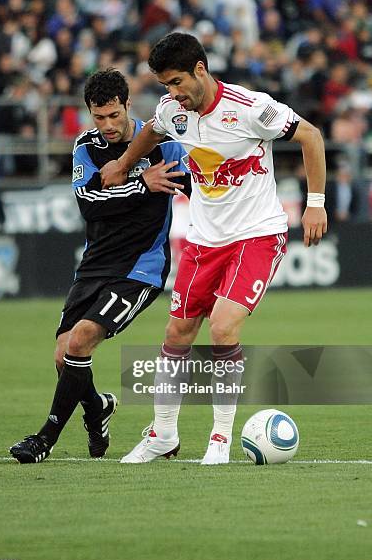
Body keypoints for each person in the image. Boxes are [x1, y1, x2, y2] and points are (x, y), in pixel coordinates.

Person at [100, 33, 327, 465]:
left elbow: (312, 136)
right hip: (205, 240)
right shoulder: (173, 111)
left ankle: (220, 439)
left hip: (257, 234)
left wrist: (315, 204)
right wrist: (124, 163)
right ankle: (162, 435)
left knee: (223, 329)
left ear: (200, 70)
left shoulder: (250, 108)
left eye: (177, 82)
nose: (172, 93)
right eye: (165, 85)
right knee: (176, 334)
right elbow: (152, 129)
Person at [9, 68, 191, 463]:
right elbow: (89, 204)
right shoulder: (86, 147)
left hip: (141, 267)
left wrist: (122, 185)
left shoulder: (166, 147)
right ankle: (96, 407)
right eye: (98, 116)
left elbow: (201, 188)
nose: (107, 125)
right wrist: (143, 184)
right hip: (94, 265)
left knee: (80, 341)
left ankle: (45, 439)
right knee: (64, 355)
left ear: (128, 105)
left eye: (113, 115)